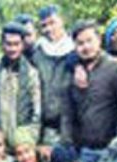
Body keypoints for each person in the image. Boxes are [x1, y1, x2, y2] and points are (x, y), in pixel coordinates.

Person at [61, 20, 117, 162]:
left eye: (89, 41)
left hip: (112, 149)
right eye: (80, 43)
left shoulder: (116, 68)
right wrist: (67, 143)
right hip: (84, 150)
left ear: (99, 40)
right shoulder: (72, 72)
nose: (86, 47)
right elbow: (67, 112)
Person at [0, 22, 41, 151]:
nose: (12, 49)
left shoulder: (31, 73)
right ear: (2, 44)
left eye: (16, 44)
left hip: (21, 143)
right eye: (8, 44)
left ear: (23, 45)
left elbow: (37, 111)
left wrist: (28, 140)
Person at [31, 4, 74, 146]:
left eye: (52, 23)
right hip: (44, 128)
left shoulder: (76, 51)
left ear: (62, 21)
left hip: (72, 127)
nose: (48, 29)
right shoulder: (37, 54)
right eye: (44, 25)